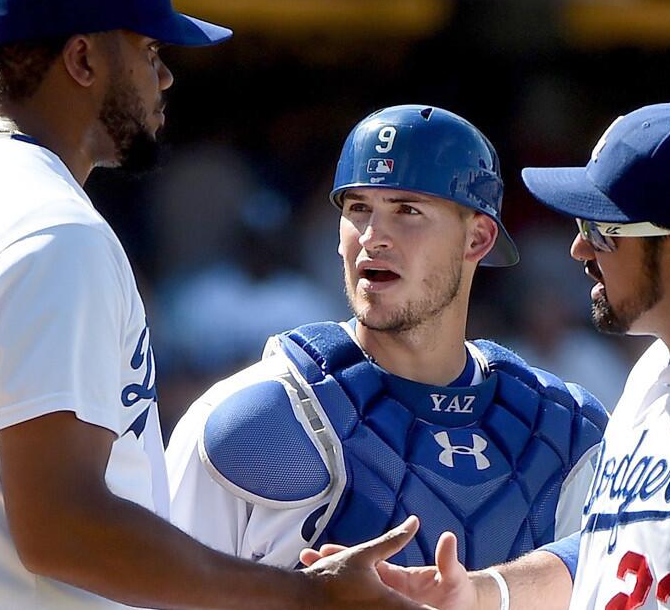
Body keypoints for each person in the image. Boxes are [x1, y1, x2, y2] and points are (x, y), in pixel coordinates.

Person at [0, 0, 425, 610]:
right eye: (147, 49)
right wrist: (301, 597)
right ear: (82, 60)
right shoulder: (49, 230)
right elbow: (63, 528)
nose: (164, 75)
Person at [302, 102, 670, 609]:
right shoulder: (661, 364)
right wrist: (477, 593)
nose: (577, 249)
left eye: (601, 232)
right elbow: (609, 558)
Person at [167, 105, 607, 571]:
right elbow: (159, 597)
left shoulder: (568, 431)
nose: (373, 237)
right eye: (359, 209)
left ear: (477, 239)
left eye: (407, 210)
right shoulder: (252, 419)